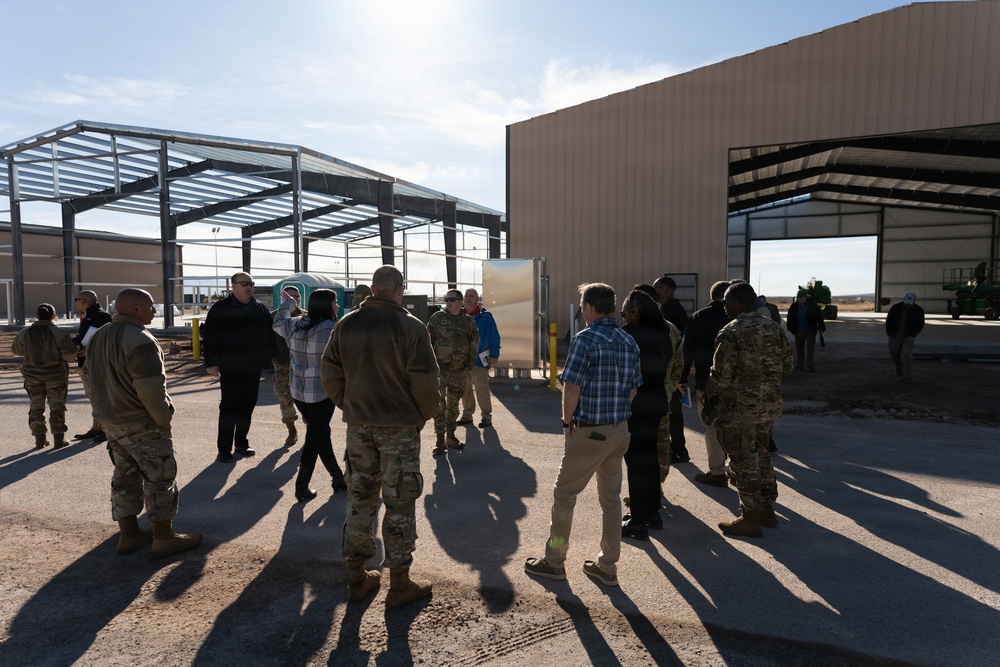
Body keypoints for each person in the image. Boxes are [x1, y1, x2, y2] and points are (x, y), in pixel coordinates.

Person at [320, 265, 440, 609]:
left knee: (360, 495)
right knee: (399, 500)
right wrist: (419, 416)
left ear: (372, 289)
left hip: (359, 427)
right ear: (400, 290)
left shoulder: (347, 324)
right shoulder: (411, 327)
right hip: (400, 428)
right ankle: (399, 583)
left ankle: (357, 577)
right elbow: (426, 383)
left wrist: (350, 405)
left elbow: (330, 372)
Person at [524, 283, 641, 587]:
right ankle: (607, 566)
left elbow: (572, 387)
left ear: (589, 308)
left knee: (564, 496)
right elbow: (632, 390)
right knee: (611, 500)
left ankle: (554, 561)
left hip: (590, 432)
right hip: (619, 431)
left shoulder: (585, 339)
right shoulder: (629, 341)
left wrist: (566, 423)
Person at [82, 288, 202, 558]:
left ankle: (129, 534)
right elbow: (151, 390)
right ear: (135, 308)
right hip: (141, 422)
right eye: (150, 306)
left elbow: (88, 377)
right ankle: (163, 537)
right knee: (160, 477)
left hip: (111, 422)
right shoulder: (141, 339)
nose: (153, 310)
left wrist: (102, 411)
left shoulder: (99, 336)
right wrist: (163, 420)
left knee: (124, 477)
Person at [703, 283, 793, 538]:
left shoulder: (731, 332)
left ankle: (749, 517)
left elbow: (720, 377)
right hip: (768, 408)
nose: (724, 308)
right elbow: (788, 367)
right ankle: (767, 509)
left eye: (727, 303)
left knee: (744, 461)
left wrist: (709, 395)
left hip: (739, 410)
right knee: (763, 456)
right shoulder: (774, 328)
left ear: (738, 304)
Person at [273, 288, 347, 502]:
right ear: (327, 305)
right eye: (335, 302)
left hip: (298, 391)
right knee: (315, 436)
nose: (337, 306)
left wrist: (289, 304)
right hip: (322, 392)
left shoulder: (295, 324)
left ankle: (337, 478)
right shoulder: (332, 329)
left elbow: (278, 322)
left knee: (320, 433)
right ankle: (301, 486)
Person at [203, 272, 275, 463]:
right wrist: (211, 363)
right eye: (243, 283)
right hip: (231, 367)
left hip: (253, 367)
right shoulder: (221, 309)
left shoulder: (259, 308)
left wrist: (269, 358)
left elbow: (269, 334)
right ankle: (224, 449)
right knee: (229, 408)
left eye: (250, 283)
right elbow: (209, 336)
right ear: (233, 285)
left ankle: (241, 443)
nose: (248, 286)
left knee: (247, 406)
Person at [619, 289, 674, 540]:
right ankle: (652, 512)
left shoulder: (628, 335)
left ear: (635, 312)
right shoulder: (663, 332)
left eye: (625, 312)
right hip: (657, 400)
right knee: (649, 457)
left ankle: (638, 519)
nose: (623, 317)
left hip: (636, 403)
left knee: (635, 461)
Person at [681, 280, 732, 488]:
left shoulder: (699, 316)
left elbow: (688, 351)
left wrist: (683, 378)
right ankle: (734, 470)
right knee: (733, 426)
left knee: (711, 427)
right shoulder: (737, 317)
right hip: (737, 384)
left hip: (707, 381)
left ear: (712, 295)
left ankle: (717, 471)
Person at [11, 303, 78, 449]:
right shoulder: (60, 333)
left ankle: (40, 440)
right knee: (57, 408)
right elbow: (70, 357)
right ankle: (59, 440)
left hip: (32, 377)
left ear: (37, 316)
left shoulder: (25, 332)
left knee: (36, 407)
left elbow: (16, 350)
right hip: (56, 377)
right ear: (54, 316)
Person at [426, 289, 478, 455]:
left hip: (458, 371)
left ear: (461, 301)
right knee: (439, 405)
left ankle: (451, 436)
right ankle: (439, 440)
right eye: (446, 299)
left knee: (454, 406)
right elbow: (427, 342)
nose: (449, 302)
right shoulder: (437, 318)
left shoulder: (468, 322)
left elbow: (474, 344)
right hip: (439, 370)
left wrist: (468, 366)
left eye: (453, 299)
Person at [652, 274, 690, 464]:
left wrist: (680, 377)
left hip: (671, 372)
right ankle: (678, 449)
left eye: (656, 288)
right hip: (672, 371)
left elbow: (678, 346)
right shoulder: (670, 309)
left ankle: (679, 450)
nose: (655, 292)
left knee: (674, 413)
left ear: (665, 290)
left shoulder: (672, 312)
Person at [72, 290, 113, 442]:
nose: (75, 303)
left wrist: (88, 349)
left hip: (97, 365)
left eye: (76, 300)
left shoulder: (101, 316)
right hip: (87, 364)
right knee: (94, 398)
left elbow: (107, 340)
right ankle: (97, 427)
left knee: (101, 398)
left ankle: (106, 429)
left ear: (83, 301)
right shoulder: (90, 315)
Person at [458, 288, 501, 429]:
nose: (468, 298)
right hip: (462, 361)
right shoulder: (458, 316)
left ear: (478, 300)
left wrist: (494, 355)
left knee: (482, 389)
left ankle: (486, 417)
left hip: (479, 361)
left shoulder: (486, 317)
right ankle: (467, 415)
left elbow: (494, 336)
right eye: (466, 296)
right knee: (465, 390)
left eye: (472, 296)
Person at [271, 285, 303, 448]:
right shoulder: (274, 317)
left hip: (303, 368)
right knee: (285, 399)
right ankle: (292, 430)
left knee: (308, 400)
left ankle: (311, 427)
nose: (294, 300)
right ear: (283, 299)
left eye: (297, 297)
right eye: (290, 297)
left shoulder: (306, 317)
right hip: (282, 366)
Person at [885, 292, 925, 383]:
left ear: (914, 302)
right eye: (906, 302)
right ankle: (900, 369)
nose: (907, 304)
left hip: (909, 336)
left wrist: (913, 334)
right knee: (894, 353)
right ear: (904, 300)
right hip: (894, 335)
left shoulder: (918, 310)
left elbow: (920, 324)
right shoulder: (895, 308)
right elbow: (889, 320)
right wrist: (889, 333)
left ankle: (907, 375)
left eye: (910, 303)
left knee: (906, 354)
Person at [786, 289, 825, 371]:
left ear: (805, 298)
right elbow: (789, 319)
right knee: (799, 348)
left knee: (810, 348)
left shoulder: (813, 307)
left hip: (810, 331)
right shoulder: (793, 308)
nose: (801, 301)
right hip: (798, 331)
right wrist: (792, 330)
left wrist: (822, 328)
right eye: (799, 299)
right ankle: (800, 365)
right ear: (797, 298)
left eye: (802, 299)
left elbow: (819, 317)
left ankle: (810, 365)